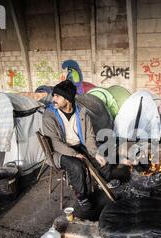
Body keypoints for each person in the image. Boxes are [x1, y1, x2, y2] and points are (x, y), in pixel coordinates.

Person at [42, 80, 117, 219]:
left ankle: (104, 179)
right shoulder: (49, 115)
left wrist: (94, 152)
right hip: (60, 151)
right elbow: (54, 142)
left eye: (57, 96)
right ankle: (81, 196)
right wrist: (75, 154)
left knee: (101, 155)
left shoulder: (82, 113)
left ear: (67, 99)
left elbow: (89, 136)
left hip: (78, 144)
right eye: (54, 96)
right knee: (76, 165)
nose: (53, 99)